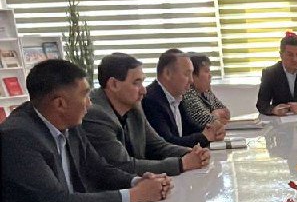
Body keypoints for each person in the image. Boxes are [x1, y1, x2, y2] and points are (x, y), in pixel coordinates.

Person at [0, 59, 170, 202]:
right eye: (85, 95)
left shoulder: (69, 122)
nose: (90, 103)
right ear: (60, 104)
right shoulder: (18, 137)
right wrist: (136, 195)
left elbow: (98, 168)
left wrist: (137, 181)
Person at [83, 53, 211, 176]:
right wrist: (181, 164)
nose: (143, 90)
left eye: (142, 82)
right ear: (114, 84)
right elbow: (123, 165)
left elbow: (158, 146)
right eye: (136, 83)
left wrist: (193, 152)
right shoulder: (95, 114)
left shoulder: (134, 107)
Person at [142, 50, 226, 146]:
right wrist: (204, 137)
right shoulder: (151, 100)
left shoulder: (176, 96)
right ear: (167, 74)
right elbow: (167, 144)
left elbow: (190, 128)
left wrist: (214, 131)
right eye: (187, 74)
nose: (191, 80)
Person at [182, 54, 231, 129]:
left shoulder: (206, 92)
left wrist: (214, 115)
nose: (210, 76)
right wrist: (216, 115)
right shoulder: (188, 93)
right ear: (193, 75)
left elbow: (226, 113)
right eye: (206, 71)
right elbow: (206, 122)